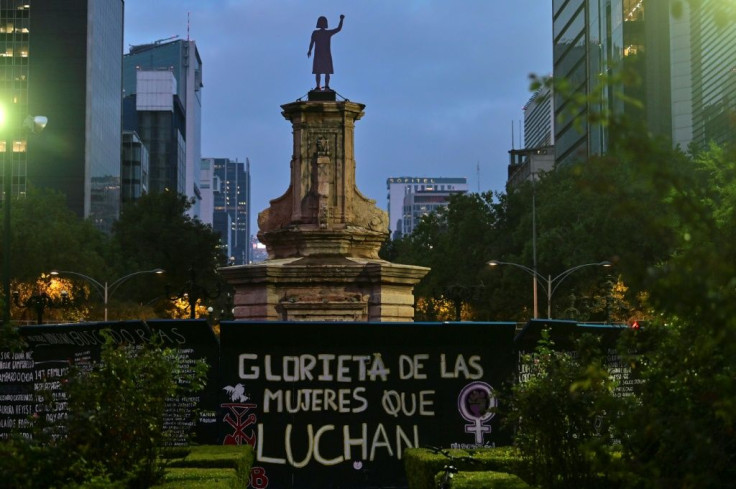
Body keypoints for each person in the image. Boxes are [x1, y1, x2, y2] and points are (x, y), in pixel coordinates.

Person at [308, 14, 344, 91]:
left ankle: (326, 86)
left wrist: (341, 20)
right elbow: (312, 42)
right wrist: (309, 50)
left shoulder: (326, 33)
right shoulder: (316, 33)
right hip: (319, 55)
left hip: (325, 55)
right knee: (319, 71)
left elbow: (338, 29)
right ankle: (319, 86)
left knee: (326, 71)